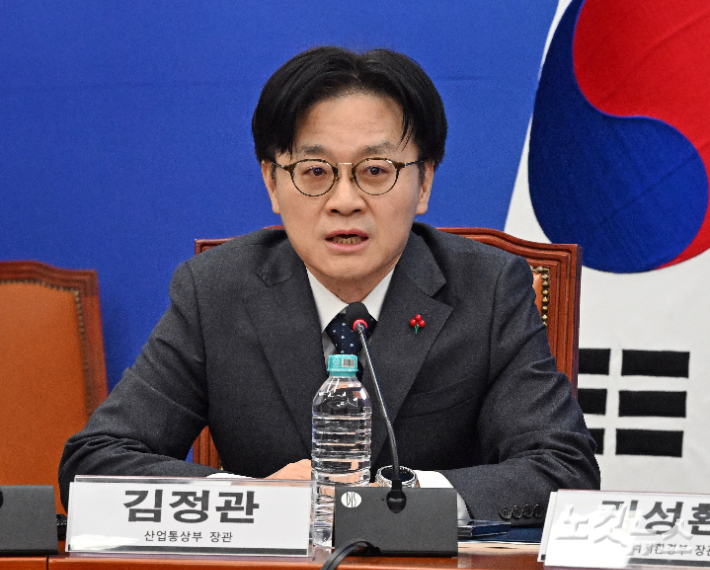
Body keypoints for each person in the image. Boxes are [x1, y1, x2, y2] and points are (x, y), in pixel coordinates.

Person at [59, 46, 600, 523]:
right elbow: (94, 463)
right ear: (273, 183)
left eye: (376, 170)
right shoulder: (217, 291)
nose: (345, 201)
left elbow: (563, 469)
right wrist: (254, 500)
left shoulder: (487, 289)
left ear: (424, 182)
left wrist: (403, 498)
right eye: (315, 171)